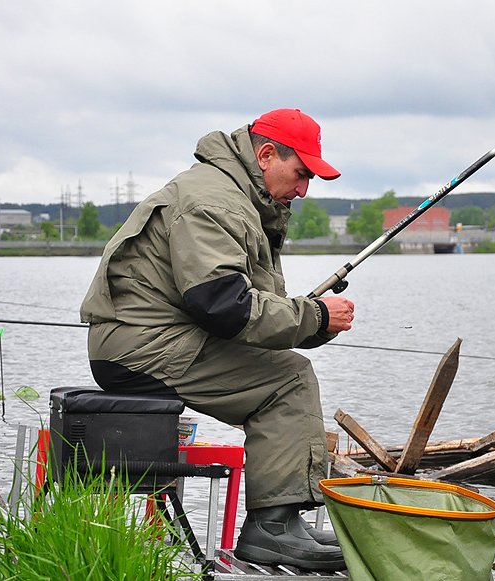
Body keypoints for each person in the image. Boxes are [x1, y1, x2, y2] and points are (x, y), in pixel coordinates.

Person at [79, 109, 354, 571]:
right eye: (301, 173)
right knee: (289, 381)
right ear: (266, 155)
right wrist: (315, 315)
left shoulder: (235, 195)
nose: (305, 190)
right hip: (141, 346)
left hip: (146, 338)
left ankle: (282, 522)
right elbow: (223, 305)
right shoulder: (216, 201)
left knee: (287, 369)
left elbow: (249, 314)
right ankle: (271, 529)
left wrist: (316, 323)